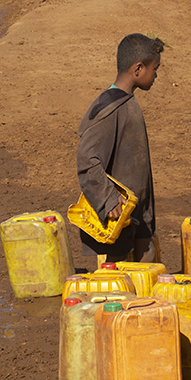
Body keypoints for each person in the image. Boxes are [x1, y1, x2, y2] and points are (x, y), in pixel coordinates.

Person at [76, 33, 164, 263]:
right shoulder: (110, 108)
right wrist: (109, 200)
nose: (155, 75)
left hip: (138, 218)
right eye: (155, 69)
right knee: (121, 287)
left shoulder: (127, 102)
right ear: (138, 68)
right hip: (119, 220)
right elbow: (87, 159)